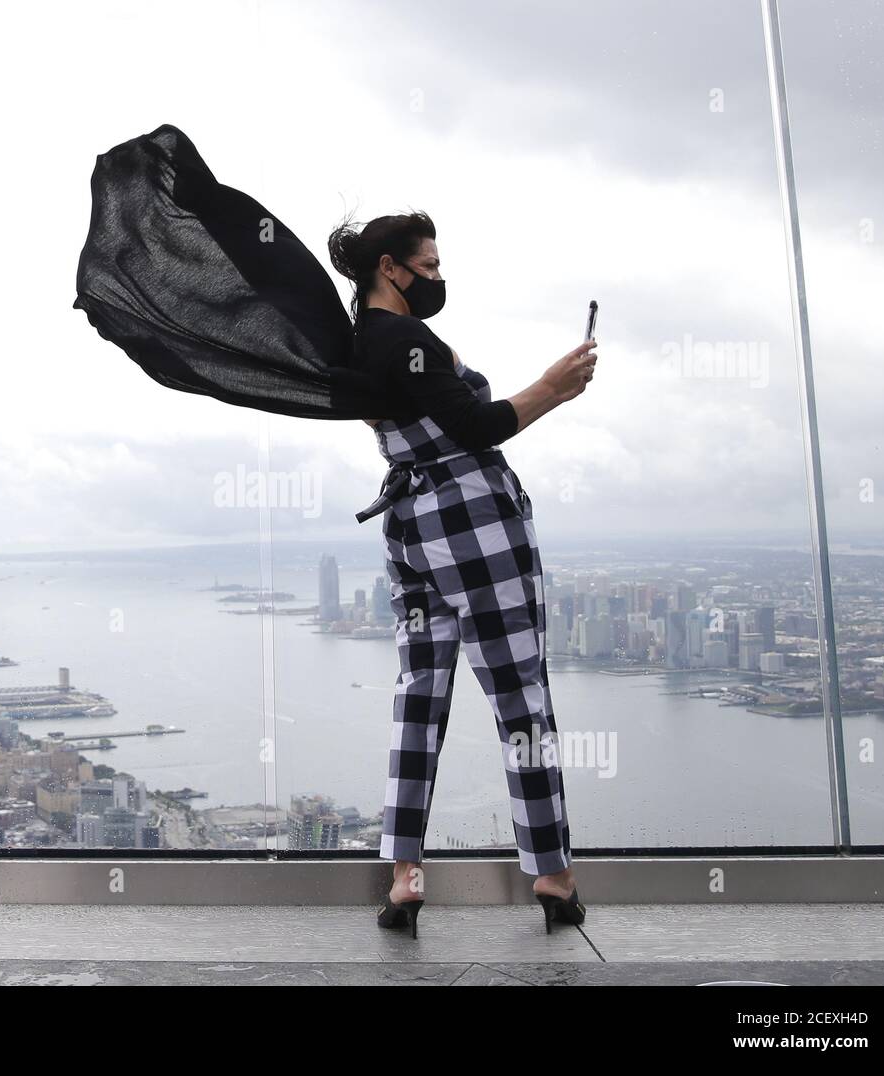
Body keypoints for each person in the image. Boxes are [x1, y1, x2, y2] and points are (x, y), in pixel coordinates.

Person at [329, 211, 597, 937]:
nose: (440, 278)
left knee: (419, 698)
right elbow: (478, 430)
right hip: (473, 524)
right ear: (391, 267)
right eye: (432, 266)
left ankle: (406, 876)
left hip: (410, 526)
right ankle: (551, 872)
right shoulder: (408, 339)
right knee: (521, 700)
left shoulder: (355, 341)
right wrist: (554, 386)